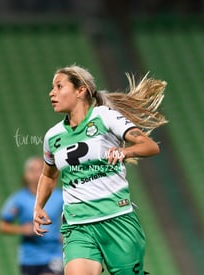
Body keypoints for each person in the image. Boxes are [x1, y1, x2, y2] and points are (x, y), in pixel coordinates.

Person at [33, 65, 168, 275]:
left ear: (81, 90)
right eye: (52, 88)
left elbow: (151, 146)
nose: (52, 93)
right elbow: (48, 175)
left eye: (59, 86)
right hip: (78, 225)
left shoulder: (104, 117)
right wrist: (38, 206)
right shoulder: (53, 136)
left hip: (117, 219)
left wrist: (125, 153)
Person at [0, 157, 64, 275]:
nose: (36, 174)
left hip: (54, 254)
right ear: (26, 175)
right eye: (33, 170)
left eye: (40, 170)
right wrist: (22, 229)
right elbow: (2, 226)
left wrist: (66, 233)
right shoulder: (18, 199)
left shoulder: (60, 196)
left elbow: (72, 216)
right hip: (29, 257)